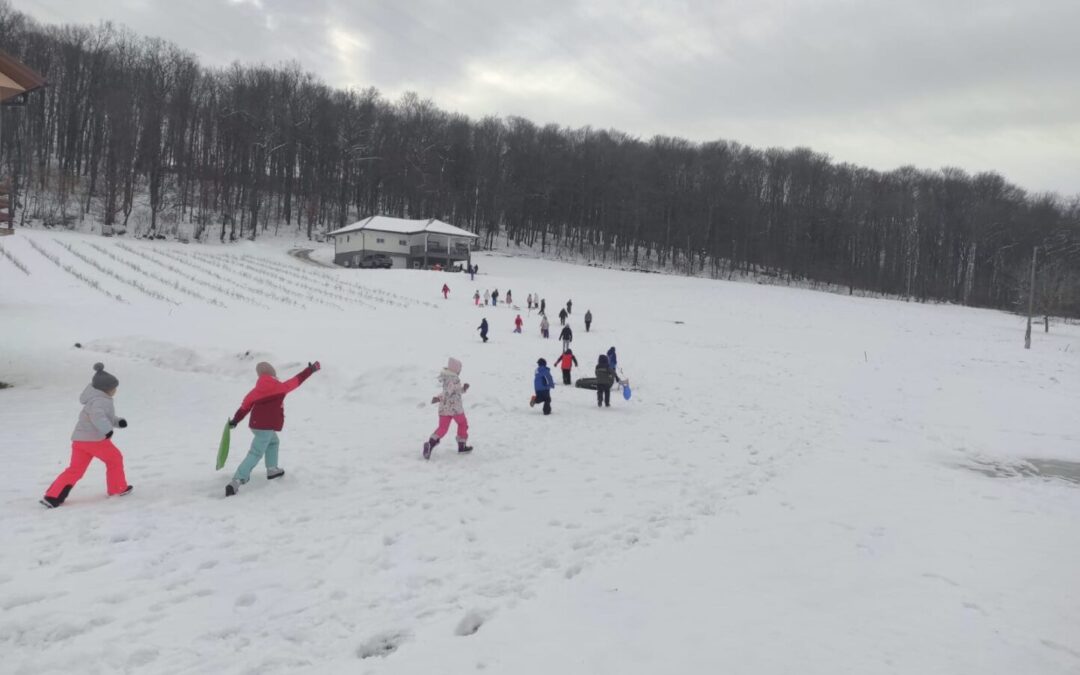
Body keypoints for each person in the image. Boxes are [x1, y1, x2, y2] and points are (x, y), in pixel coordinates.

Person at [41, 363, 133, 508]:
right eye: (114, 388)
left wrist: (117, 422)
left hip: (80, 441)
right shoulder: (101, 400)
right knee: (115, 459)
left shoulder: (94, 399)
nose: (115, 390)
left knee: (75, 469)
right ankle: (117, 488)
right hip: (95, 440)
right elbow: (98, 417)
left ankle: (53, 496)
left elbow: (103, 416)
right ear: (107, 389)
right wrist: (107, 430)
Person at [225, 361, 320, 497]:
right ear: (273, 374)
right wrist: (311, 369)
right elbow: (298, 379)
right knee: (256, 453)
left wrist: (235, 421)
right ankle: (236, 480)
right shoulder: (280, 387)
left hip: (256, 425)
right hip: (266, 427)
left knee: (273, 442)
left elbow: (244, 408)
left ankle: (272, 469)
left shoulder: (255, 392)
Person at [423, 357, 472, 459]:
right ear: (455, 370)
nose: (460, 372)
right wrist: (439, 397)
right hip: (455, 408)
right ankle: (461, 446)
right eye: (459, 370)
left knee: (442, 428)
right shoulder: (454, 379)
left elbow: (454, 391)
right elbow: (448, 392)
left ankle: (430, 444)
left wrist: (463, 389)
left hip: (444, 409)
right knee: (462, 423)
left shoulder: (447, 378)